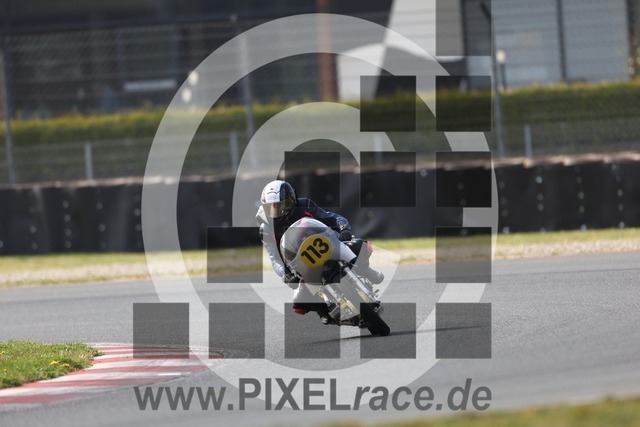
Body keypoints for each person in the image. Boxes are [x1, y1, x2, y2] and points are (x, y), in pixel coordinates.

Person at [256, 180, 384, 324]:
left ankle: (366, 271)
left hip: (326, 242)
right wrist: (285, 273)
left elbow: (332, 217)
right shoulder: (265, 228)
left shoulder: (305, 205)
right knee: (299, 300)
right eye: (271, 207)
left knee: (360, 245)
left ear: (291, 201)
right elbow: (274, 258)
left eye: (281, 205)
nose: (276, 211)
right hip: (300, 261)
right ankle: (322, 311)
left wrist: (344, 229)